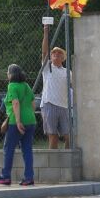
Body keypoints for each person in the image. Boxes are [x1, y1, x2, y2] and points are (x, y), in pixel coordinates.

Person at [0, 64, 37, 186]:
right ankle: (29, 178)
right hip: (31, 120)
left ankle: (5, 177)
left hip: (15, 122)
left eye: (8, 72)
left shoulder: (12, 86)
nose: (7, 75)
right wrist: (28, 116)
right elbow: (33, 104)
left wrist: (18, 121)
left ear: (11, 74)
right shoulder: (26, 85)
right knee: (27, 149)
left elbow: (15, 103)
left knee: (8, 148)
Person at [39, 20, 72, 149]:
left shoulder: (67, 72)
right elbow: (44, 52)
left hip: (64, 106)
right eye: (54, 53)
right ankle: (53, 160)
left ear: (63, 58)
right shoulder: (47, 68)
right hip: (49, 104)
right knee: (53, 137)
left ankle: (67, 157)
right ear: (51, 57)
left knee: (69, 136)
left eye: (59, 53)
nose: (56, 54)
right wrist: (46, 33)